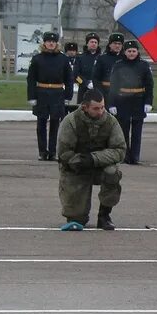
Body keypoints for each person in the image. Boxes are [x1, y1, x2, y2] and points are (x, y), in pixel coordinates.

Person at [55, 90, 126, 230]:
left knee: (112, 172)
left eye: (102, 107)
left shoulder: (111, 122)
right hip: (77, 167)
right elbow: (63, 152)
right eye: (95, 108)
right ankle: (77, 214)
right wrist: (78, 161)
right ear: (84, 107)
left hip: (100, 167)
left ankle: (104, 215)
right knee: (77, 221)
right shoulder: (70, 122)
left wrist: (93, 159)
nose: (100, 112)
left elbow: (120, 150)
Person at [26, 30, 74, 161]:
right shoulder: (37, 59)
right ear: (44, 43)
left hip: (57, 93)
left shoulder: (63, 59)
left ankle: (52, 151)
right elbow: (31, 79)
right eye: (48, 42)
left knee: (55, 124)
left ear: (56, 43)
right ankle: (42, 151)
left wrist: (68, 96)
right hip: (41, 93)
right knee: (41, 124)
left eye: (53, 42)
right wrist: (32, 97)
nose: (51, 44)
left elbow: (69, 79)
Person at [104, 40, 154, 164]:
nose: (131, 53)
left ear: (137, 52)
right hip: (123, 100)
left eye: (134, 51)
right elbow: (113, 86)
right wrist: (111, 104)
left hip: (138, 100)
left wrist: (148, 102)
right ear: (124, 52)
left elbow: (149, 85)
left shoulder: (143, 65)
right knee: (123, 130)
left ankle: (135, 156)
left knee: (137, 132)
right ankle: (125, 155)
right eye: (129, 51)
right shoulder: (118, 65)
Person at [72, 32, 101, 105]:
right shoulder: (80, 58)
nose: (93, 44)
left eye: (95, 42)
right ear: (87, 43)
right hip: (83, 90)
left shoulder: (101, 58)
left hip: (98, 90)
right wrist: (85, 83)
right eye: (91, 42)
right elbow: (76, 75)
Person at [63, 41, 80, 114]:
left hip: (77, 84)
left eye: (74, 50)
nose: (72, 52)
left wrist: (79, 81)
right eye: (70, 50)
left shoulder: (79, 60)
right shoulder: (63, 60)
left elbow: (79, 75)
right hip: (65, 85)